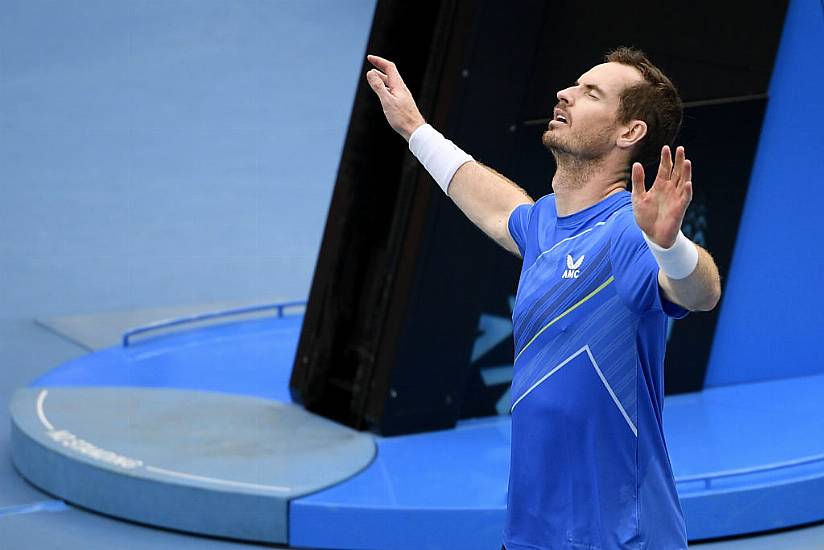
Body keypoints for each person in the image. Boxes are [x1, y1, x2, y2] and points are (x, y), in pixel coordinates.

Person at [365, 46, 721, 550]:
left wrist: (671, 246)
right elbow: (494, 203)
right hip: (532, 535)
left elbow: (700, 293)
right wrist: (414, 129)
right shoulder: (543, 224)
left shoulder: (627, 232)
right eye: (575, 85)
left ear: (629, 132)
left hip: (623, 538)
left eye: (590, 93)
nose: (565, 94)